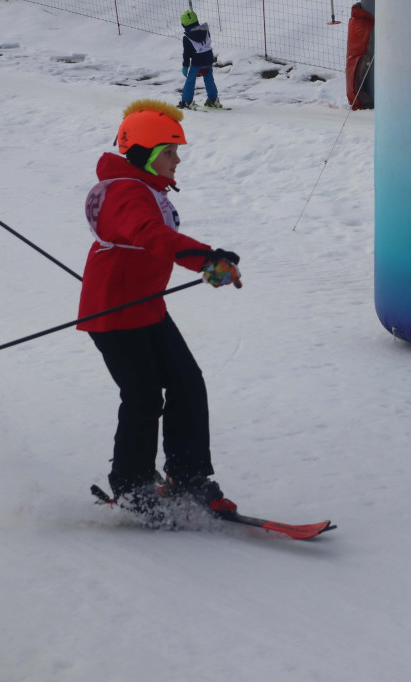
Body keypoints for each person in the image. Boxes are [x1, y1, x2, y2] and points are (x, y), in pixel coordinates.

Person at [78, 99, 241, 515]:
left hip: (147, 307)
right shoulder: (127, 194)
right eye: (169, 152)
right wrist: (205, 258)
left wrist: (205, 263)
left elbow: (158, 244)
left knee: (187, 382)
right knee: (143, 395)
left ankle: (187, 476)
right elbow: (153, 236)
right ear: (145, 156)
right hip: (113, 312)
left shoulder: (145, 189)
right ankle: (132, 487)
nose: (177, 160)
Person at [179, 9, 222, 110]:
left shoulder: (187, 38)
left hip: (197, 63)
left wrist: (185, 66)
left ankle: (186, 101)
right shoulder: (205, 31)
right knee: (209, 79)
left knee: (190, 81)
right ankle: (213, 99)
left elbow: (186, 54)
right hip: (208, 60)